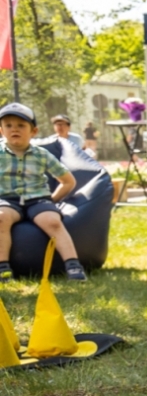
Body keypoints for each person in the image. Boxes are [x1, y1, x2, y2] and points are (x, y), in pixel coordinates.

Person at [0, 102, 87, 281]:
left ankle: (73, 265)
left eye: (21, 125)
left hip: (37, 199)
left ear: (34, 132)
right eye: (8, 125)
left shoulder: (41, 154)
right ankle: (3, 268)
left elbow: (68, 181)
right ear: (1, 131)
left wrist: (52, 201)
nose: (14, 129)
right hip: (7, 200)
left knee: (52, 221)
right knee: (1, 218)